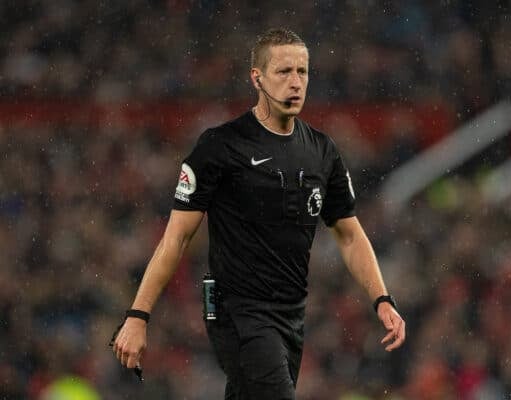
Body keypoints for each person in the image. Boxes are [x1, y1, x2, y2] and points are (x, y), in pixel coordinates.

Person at [111, 28, 405, 399]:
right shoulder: (221, 147)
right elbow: (176, 237)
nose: (295, 82)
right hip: (233, 306)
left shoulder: (321, 151)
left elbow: (349, 234)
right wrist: (138, 316)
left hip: (291, 312)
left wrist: (382, 299)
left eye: (302, 71)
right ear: (257, 78)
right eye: (284, 72)